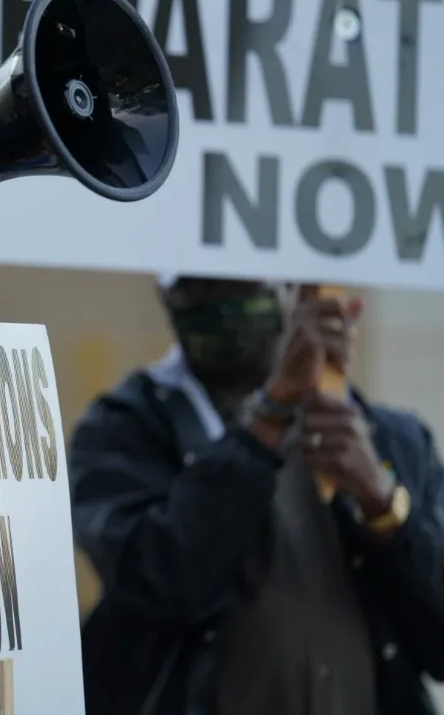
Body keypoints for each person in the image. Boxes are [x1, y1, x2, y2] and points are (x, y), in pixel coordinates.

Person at [69, 275, 444, 715]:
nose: (224, 305)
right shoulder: (126, 428)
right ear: (167, 299)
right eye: (201, 291)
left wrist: (382, 504)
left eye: (244, 289)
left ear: (293, 291)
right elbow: (158, 581)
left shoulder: (391, 440)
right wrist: (266, 420)